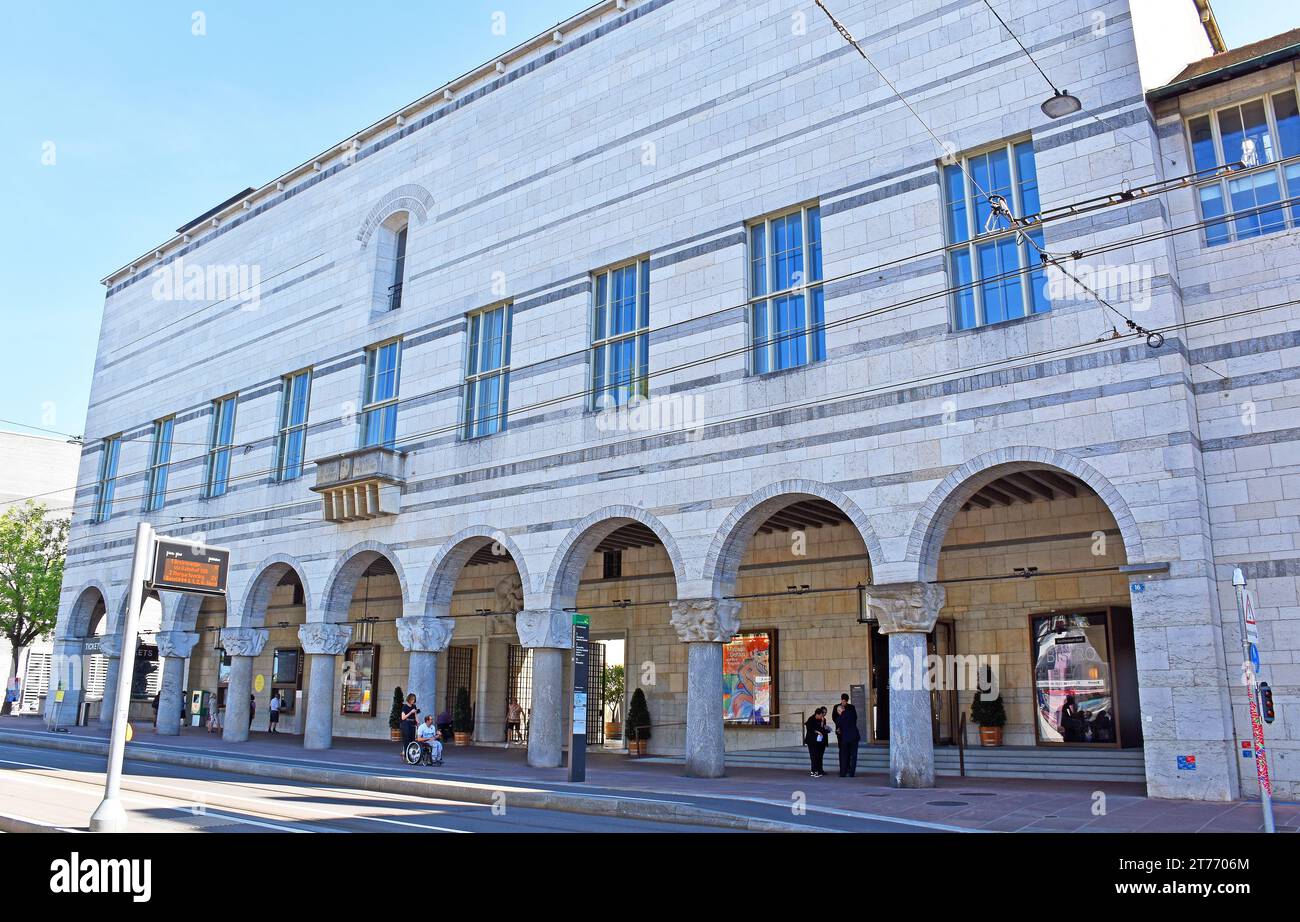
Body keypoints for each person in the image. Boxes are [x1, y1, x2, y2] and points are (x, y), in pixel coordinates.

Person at [832, 693, 860, 777]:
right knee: (853, 754)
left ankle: (843, 772)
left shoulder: (841, 717)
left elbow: (837, 721)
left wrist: (840, 728)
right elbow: (854, 720)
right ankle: (851, 773)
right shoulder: (850, 713)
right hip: (854, 735)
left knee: (844, 754)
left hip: (845, 736)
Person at [804, 707, 830, 778]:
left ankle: (817, 770)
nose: (822, 716)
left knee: (817, 756)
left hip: (818, 741)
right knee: (813, 756)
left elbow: (821, 729)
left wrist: (822, 722)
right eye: (821, 715)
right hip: (811, 741)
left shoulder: (822, 720)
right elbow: (809, 728)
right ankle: (814, 771)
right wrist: (817, 731)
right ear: (817, 714)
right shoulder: (811, 719)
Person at [400, 693, 420, 760]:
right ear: (409, 699)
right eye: (412, 699)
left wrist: (417, 721)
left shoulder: (414, 706)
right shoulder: (404, 707)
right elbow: (403, 718)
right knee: (406, 740)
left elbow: (415, 715)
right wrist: (410, 712)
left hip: (412, 723)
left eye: (414, 699)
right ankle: (406, 755)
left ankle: (411, 755)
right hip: (406, 723)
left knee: (412, 740)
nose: (413, 701)